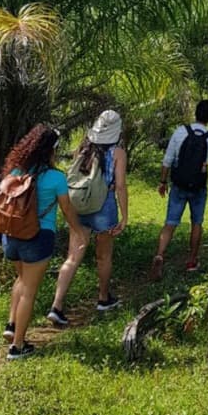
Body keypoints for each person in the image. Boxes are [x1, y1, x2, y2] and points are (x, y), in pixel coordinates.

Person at [0, 124, 83, 360]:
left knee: (21, 279)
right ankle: (17, 346)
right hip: (38, 238)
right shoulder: (56, 178)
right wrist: (79, 232)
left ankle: (12, 325)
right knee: (29, 292)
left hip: (10, 237)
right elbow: (66, 209)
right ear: (51, 150)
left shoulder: (15, 172)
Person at [47, 109, 128, 324]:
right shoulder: (118, 153)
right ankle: (103, 298)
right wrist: (124, 216)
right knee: (104, 256)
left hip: (79, 205)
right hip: (104, 206)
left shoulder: (82, 147)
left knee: (72, 257)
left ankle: (57, 305)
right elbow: (120, 186)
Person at [151, 99, 208, 279]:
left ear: (195, 113)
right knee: (196, 222)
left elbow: (167, 160)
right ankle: (192, 260)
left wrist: (163, 182)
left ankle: (160, 254)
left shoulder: (180, 132)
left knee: (170, 222)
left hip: (178, 184)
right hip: (199, 187)